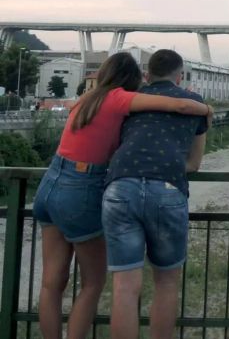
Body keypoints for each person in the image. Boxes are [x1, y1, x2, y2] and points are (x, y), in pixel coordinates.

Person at [31, 52, 212, 339]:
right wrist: (204, 110)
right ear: (132, 79)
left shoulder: (85, 101)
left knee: (52, 282)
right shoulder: (118, 99)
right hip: (81, 187)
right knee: (93, 282)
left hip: (51, 182)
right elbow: (176, 105)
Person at [103, 49, 209, 339]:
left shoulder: (132, 99)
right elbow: (194, 164)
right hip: (166, 189)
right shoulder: (195, 103)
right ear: (180, 75)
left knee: (124, 286)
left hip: (120, 187)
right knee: (166, 283)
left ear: (147, 75)